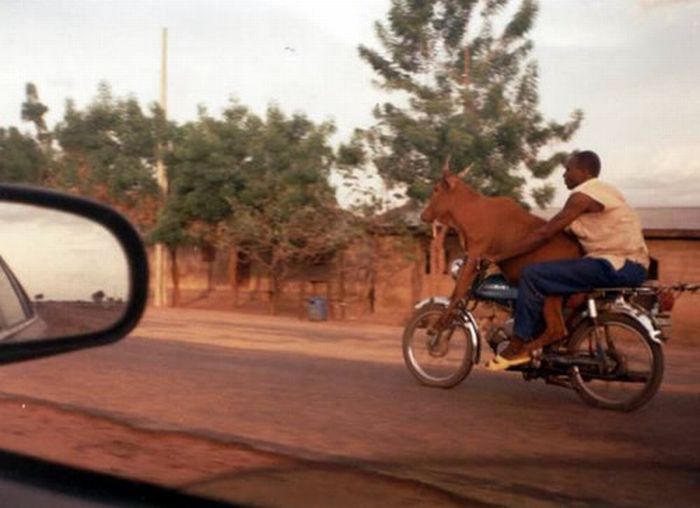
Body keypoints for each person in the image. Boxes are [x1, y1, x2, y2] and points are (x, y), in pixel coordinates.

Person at [485, 150, 650, 371]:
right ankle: (551, 339)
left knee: (532, 274)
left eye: (568, 170)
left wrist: (499, 256)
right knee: (552, 279)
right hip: (629, 265)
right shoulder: (607, 194)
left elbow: (545, 233)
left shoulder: (583, 195)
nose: (564, 175)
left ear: (583, 171)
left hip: (616, 265)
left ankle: (517, 344)